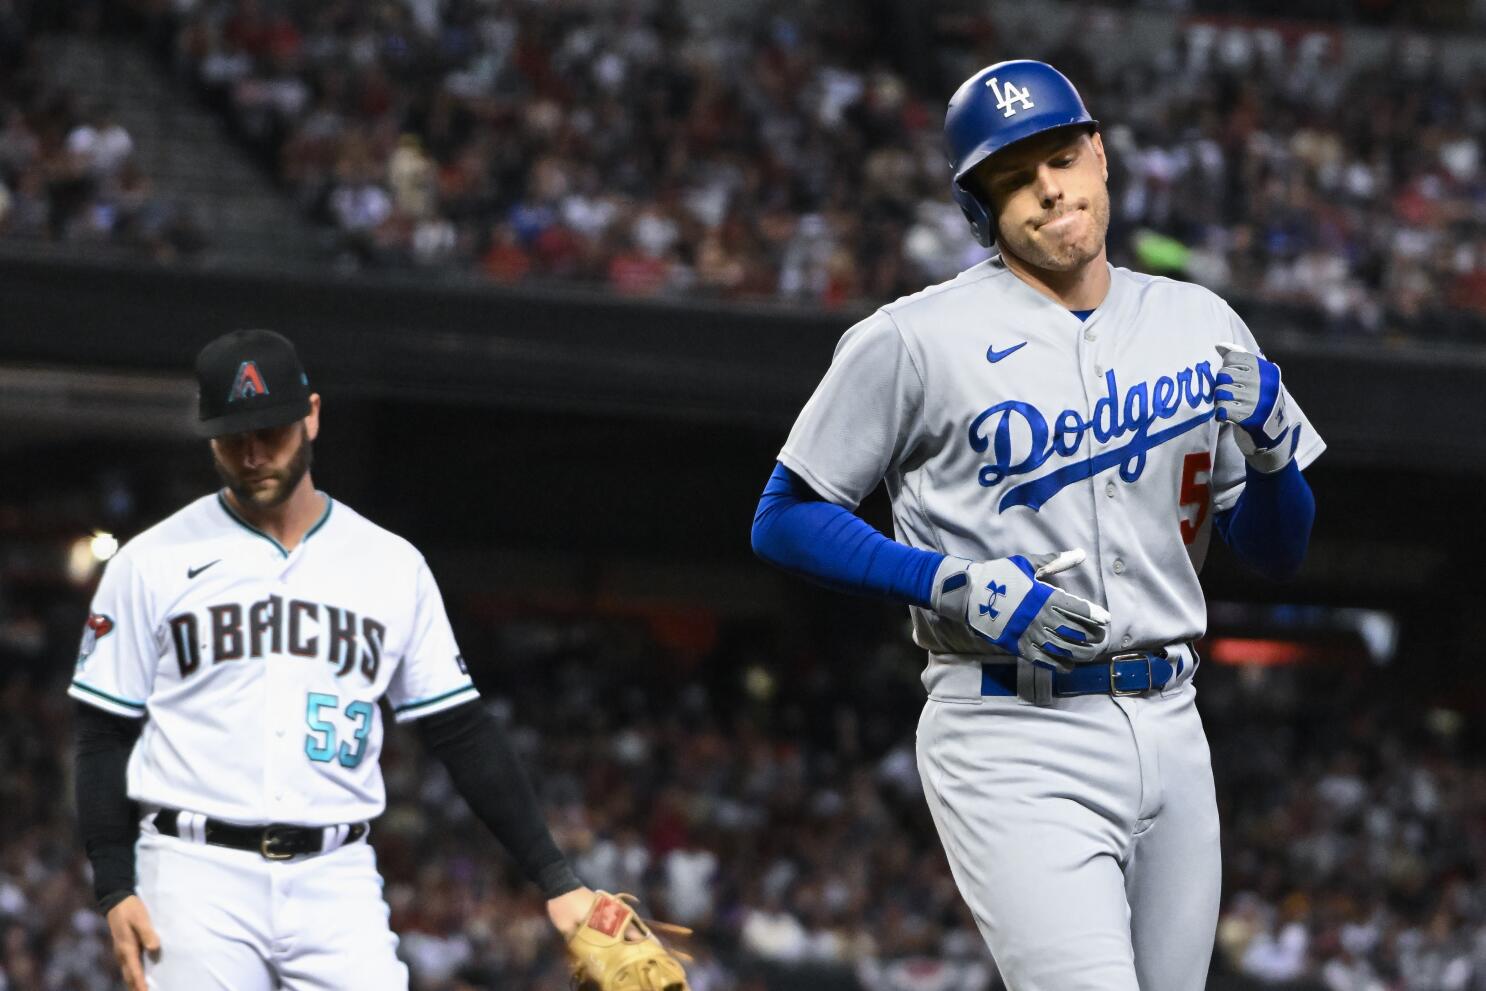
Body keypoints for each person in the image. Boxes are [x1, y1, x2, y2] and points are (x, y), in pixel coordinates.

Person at [750, 60, 1323, 991]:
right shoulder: (912, 337)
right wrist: (946, 583)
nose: (1048, 189)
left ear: (1098, 155)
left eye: (1060, 158)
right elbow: (783, 518)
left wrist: (1269, 453)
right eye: (1013, 178)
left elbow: (1277, 548)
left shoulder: (1200, 319)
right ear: (978, 208)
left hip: (1173, 719)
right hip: (1010, 725)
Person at [71, 329, 597, 990]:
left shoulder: (391, 564)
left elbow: (461, 731)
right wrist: (115, 885)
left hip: (336, 874)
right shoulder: (149, 561)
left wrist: (557, 878)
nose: (254, 453)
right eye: (234, 437)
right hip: (192, 870)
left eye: (272, 430)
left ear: (312, 414)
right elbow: (102, 734)